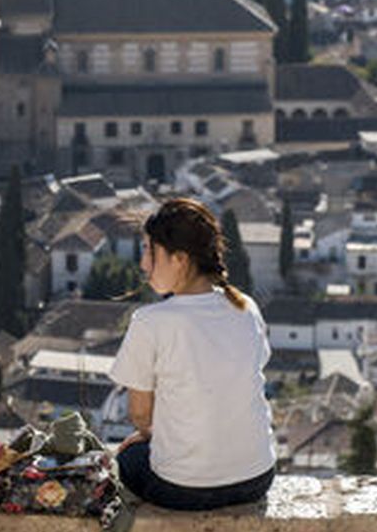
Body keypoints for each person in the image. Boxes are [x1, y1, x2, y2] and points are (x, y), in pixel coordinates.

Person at [107, 197, 278, 511]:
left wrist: (153, 436)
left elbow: (141, 416)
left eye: (149, 250)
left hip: (184, 489)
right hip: (257, 478)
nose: (144, 264)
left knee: (129, 458)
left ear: (180, 259)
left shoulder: (150, 322)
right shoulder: (246, 307)